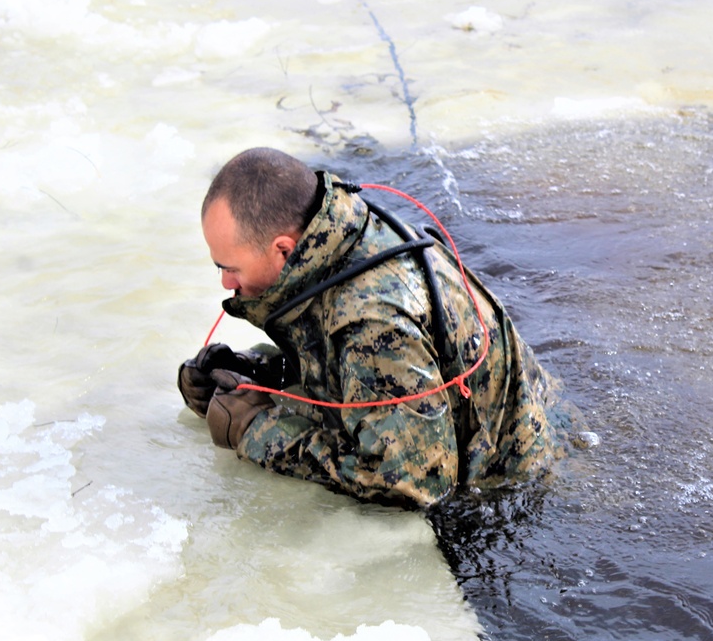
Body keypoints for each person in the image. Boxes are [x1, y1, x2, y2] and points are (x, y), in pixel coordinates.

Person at [178, 147, 580, 508]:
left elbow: (414, 481)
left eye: (229, 268)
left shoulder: (373, 318)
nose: (226, 284)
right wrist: (258, 373)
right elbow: (349, 364)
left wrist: (256, 431)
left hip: (526, 489)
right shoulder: (335, 235)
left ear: (283, 248)